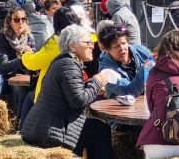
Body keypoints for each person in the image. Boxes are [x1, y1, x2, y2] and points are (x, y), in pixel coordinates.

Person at [21, 25, 111, 159]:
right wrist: (97, 82)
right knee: (100, 130)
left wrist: (91, 86)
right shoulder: (68, 64)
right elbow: (78, 101)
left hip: (45, 128)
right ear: (72, 46)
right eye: (87, 43)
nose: (92, 46)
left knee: (97, 128)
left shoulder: (63, 62)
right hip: (50, 133)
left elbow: (71, 94)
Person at [0, 8, 35, 99]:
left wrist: (30, 57)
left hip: (20, 74)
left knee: (20, 86)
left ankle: (19, 113)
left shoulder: (29, 36)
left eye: (23, 19)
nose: (21, 22)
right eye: (17, 20)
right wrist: (24, 59)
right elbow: (2, 66)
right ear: (10, 22)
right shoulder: (1, 36)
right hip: (1, 73)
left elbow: (32, 64)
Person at [97, 21, 151, 97]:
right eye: (116, 46)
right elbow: (128, 91)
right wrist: (145, 69)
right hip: (120, 106)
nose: (122, 48)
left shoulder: (142, 51)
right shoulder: (106, 69)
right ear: (108, 50)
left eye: (124, 43)